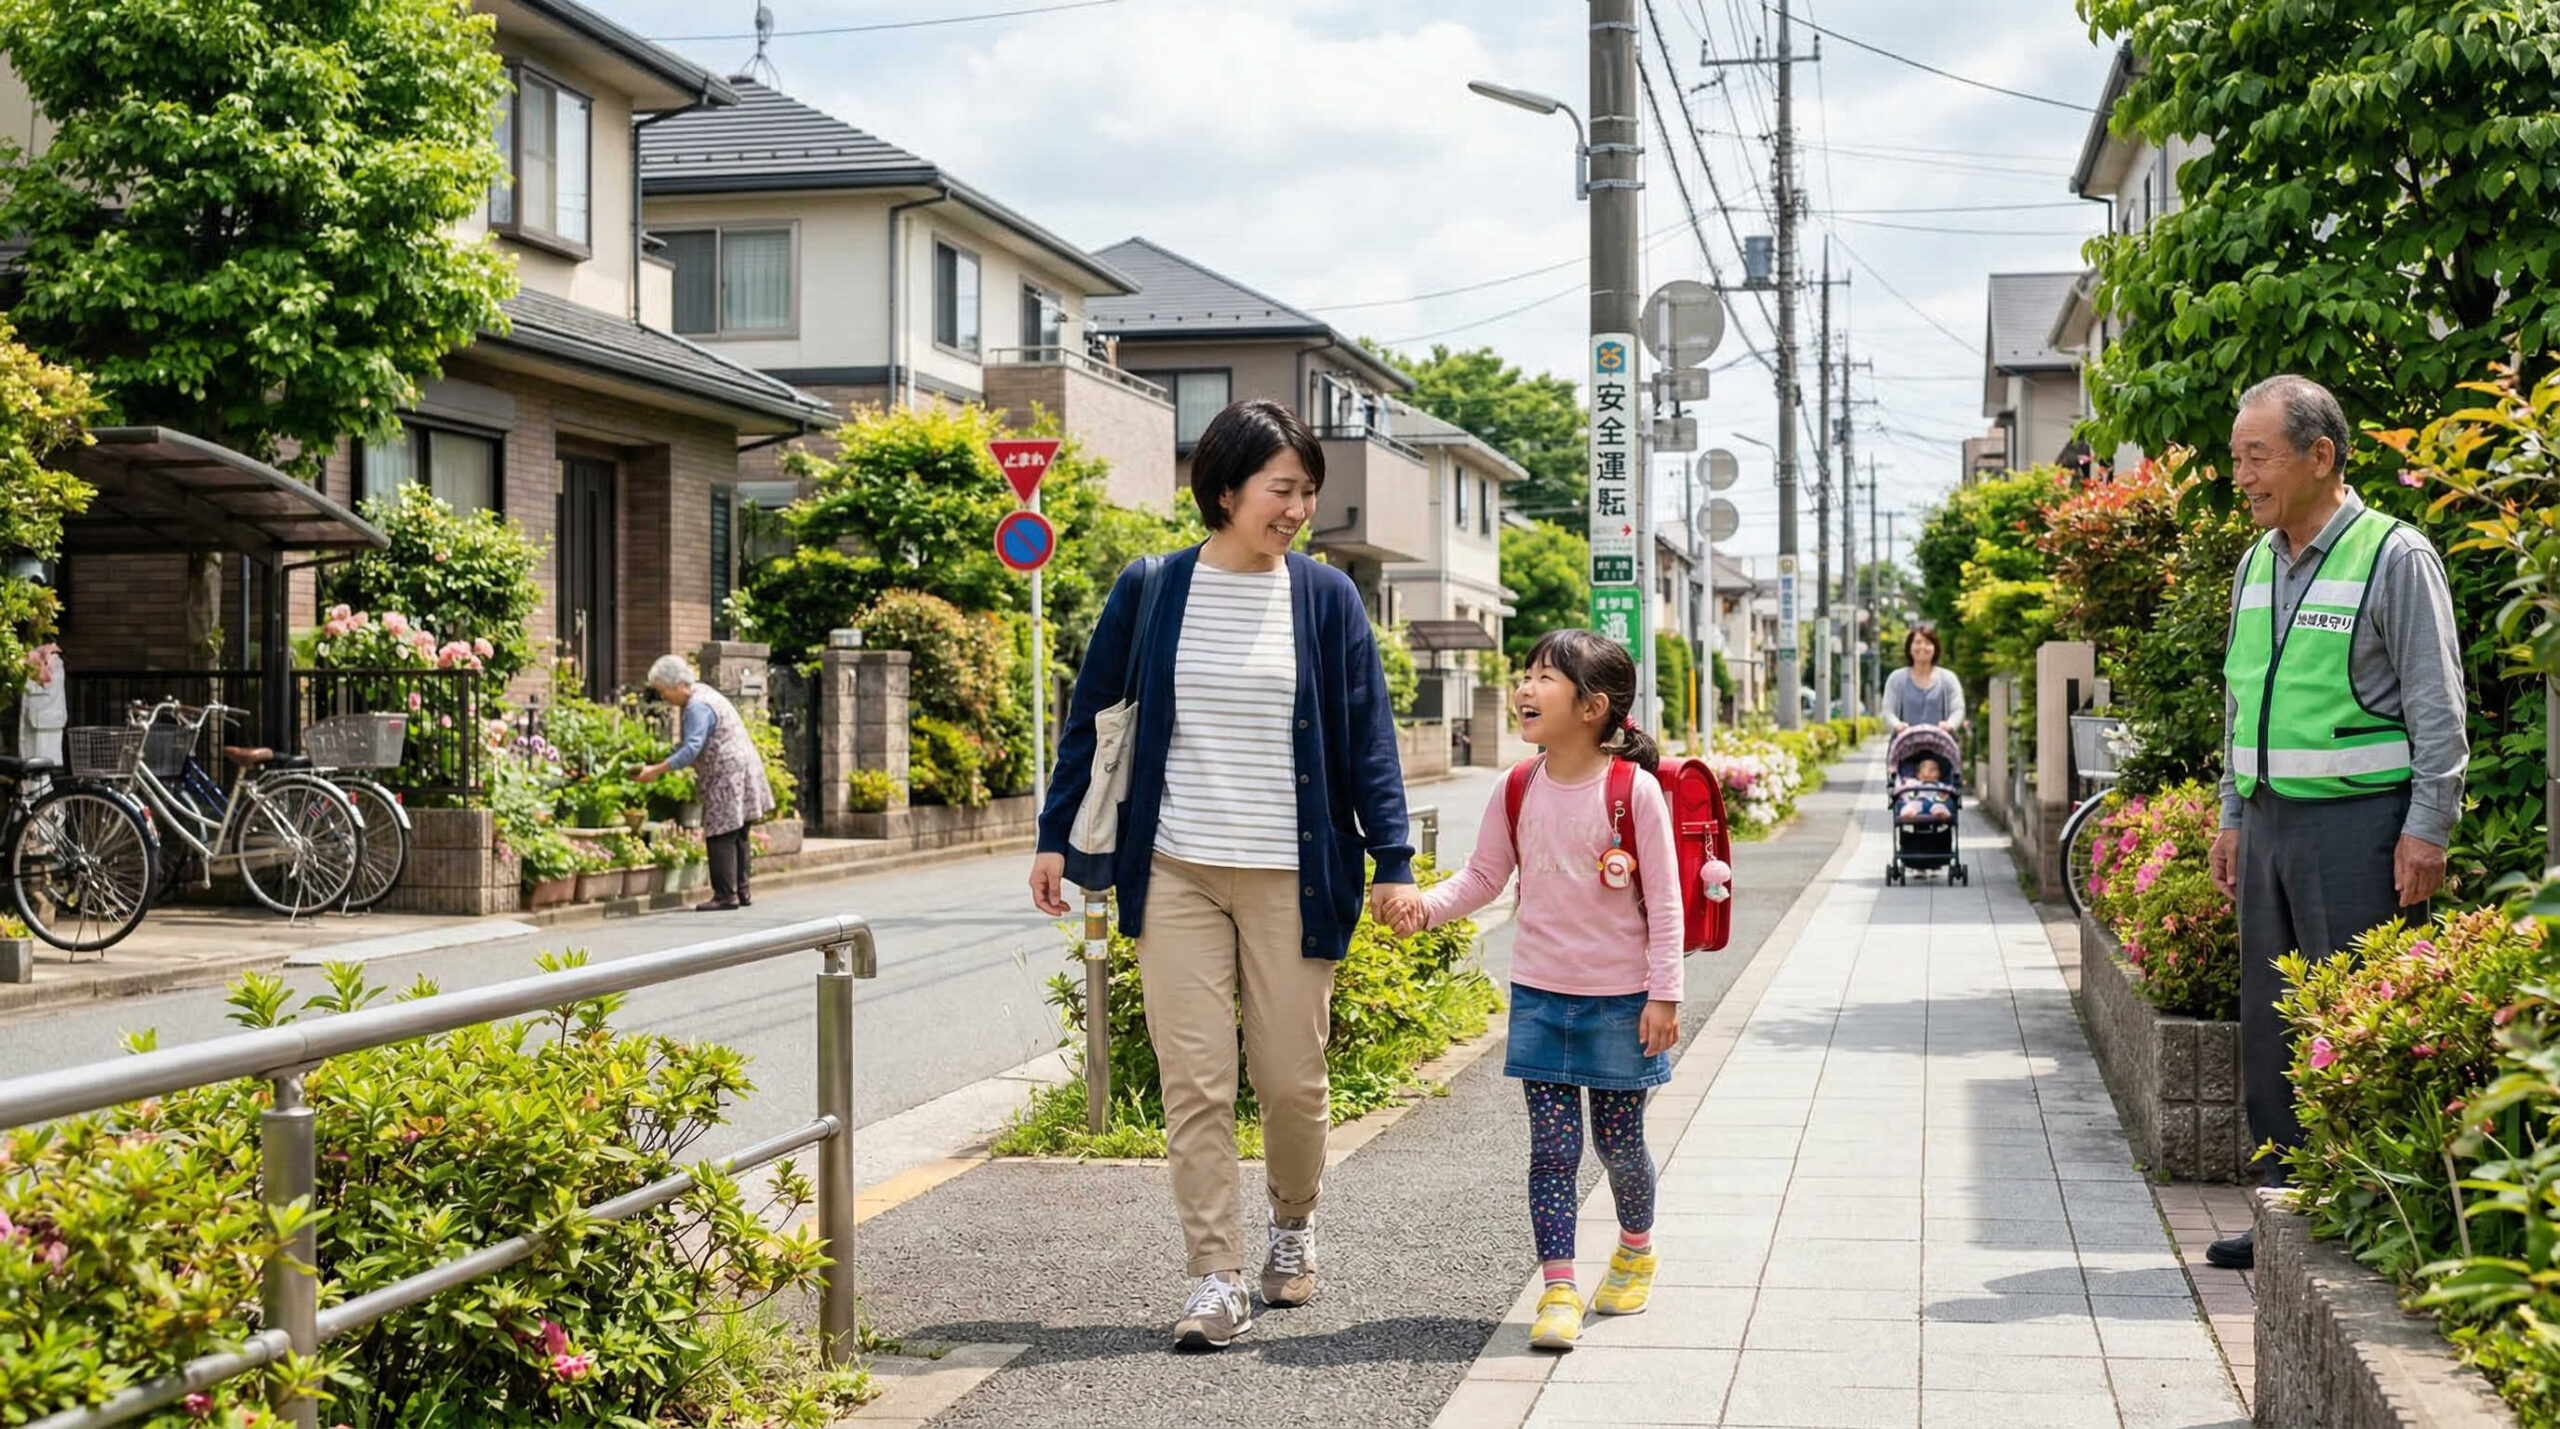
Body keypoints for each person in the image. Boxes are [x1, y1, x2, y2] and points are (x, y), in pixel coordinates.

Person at [1029, 398, 1421, 1352]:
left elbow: (1368, 736)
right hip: (1175, 872)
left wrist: (1395, 858)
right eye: (1282, 489)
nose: (1297, 508)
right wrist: (1055, 836)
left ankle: (1293, 1222)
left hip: (1296, 873)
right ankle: (1215, 1275)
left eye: (1308, 493)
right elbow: (1094, 715)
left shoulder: (1326, 598)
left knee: (1291, 1081)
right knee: (1195, 1081)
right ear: (1226, 488)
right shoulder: (1154, 586)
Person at [2203, 374, 2466, 1271]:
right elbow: (2241, 703)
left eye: (2257, 456)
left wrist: (2427, 828)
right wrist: (2234, 814)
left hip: (2364, 832)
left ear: (2321, 456)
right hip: (2271, 827)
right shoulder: (2255, 562)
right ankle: (2285, 1217)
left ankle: (2368, 1212)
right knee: (2274, 1025)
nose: (2241, 475)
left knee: (2352, 1019)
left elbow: (2439, 710)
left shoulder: (2394, 556)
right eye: (2237, 457)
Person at [1388, 628, 1682, 1354]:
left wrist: (1665, 995)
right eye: (1526, 674)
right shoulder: (1516, 786)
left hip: (1621, 999)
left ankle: (1637, 1247)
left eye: (1545, 677)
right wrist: (1425, 906)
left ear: (1593, 706)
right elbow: (1484, 876)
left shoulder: (1633, 791)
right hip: (1541, 997)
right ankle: (1558, 1288)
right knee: (1552, 1152)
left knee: (1619, 1144)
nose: (1524, 687)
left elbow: (1668, 902)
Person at [635, 655, 773, 912]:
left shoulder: (696, 706)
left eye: (664, 691)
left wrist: (656, 770)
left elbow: (692, 748)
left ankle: (724, 895)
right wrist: (664, 758)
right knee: (739, 831)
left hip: (727, 773)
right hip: (744, 767)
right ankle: (741, 891)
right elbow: (691, 745)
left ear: (678, 685)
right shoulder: (706, 694)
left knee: (720, 832)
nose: (664, 698)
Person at [1880, 625, 1964, 734]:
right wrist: (1897, 725)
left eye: (1928, 643)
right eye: (1918, 642)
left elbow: (1958, 709)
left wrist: (1950, 724)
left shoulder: (1948, 679)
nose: (1922, 647)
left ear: (1935, 648)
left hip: (1941, 746)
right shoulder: (1896, 679)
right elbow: (1888, 710)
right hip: (1905, 745)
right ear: (1909, 647)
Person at [18, 642, 64, 767]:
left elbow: (48, 689)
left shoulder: (56, 663)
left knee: (43, 768)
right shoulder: (29, 663)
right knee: (30, 765)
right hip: (36, 721)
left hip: (47, 721)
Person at [1896, 756, 1952, 824]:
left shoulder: (1940, 785)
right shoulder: (1915, 783)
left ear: (1939, 774)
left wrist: (1945, 794)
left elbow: (1948, 790)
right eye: (1926, 768)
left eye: (1934, 769)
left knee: (1940, 806)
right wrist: (1904, 784)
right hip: (1918, 801)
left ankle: (1940, 813)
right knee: (1911, 805)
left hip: (1935, 802)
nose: (1930, 770)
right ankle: (1909, 813)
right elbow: (1905, 786)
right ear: (1919, 774)